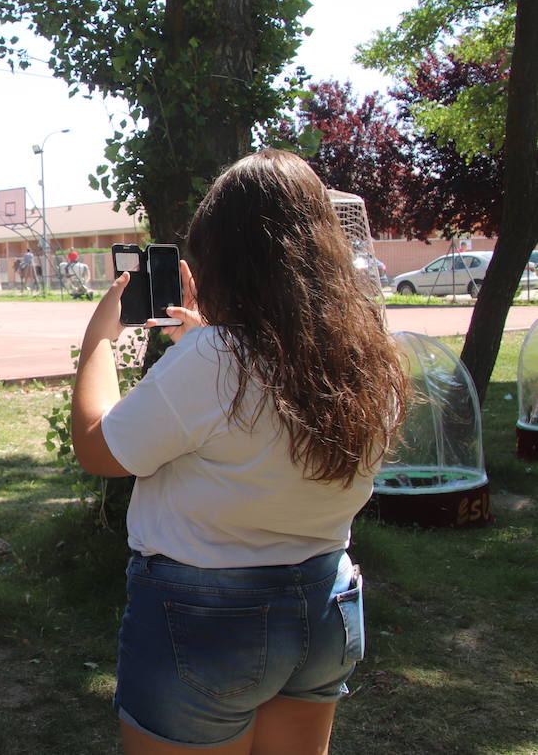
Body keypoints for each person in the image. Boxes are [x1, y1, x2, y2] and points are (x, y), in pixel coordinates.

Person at [69, 149, 407, 754]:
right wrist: (204, 344)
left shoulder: (215, 358)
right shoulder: (367, 356)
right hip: (325, 602)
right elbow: (274, 417)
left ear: (224, 260)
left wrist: (99, 338)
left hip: (206, 616)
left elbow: (98, 449)